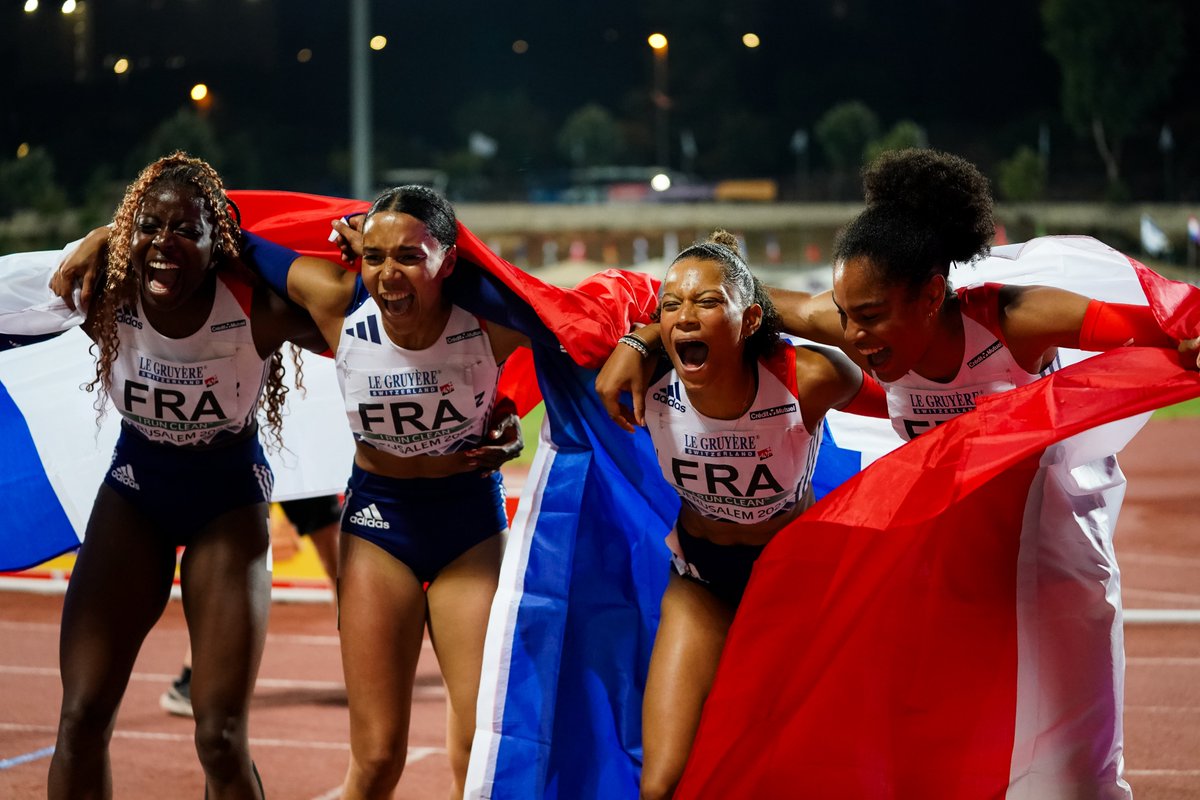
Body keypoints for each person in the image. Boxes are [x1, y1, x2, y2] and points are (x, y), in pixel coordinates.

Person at [597, 148, 1200, 797]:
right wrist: (641, 339)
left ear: (932, 294)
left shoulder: (1014, 322)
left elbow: (1157, 329)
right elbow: (736, 300)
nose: (854, 335)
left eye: (873, 315)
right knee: (926, 742)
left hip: (1047, 544)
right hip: (941, 551)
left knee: (1070, 764)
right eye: (846, 314)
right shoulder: (849, 328)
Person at [42, 151, 326, 799]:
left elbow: (356, 310)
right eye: (148, 227)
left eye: (185, 231)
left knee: (219, 737)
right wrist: (103, 237)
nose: (163, 246)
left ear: (217, 243)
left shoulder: (257, 308)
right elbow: (21, 295)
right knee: (81, 719)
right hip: (136, 492)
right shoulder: (101, 291)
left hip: (227, 499)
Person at [237, 184, 526, 799]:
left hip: (469, 524)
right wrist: (108, 237)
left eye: (409, 258)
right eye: (375, 256)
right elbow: (233, 244)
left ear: (448, 261)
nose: (389, 275)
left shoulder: (491, 322)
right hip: (379, 522)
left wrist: (511, 422)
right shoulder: (338, 303)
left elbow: (571, 337)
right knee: (375, 761)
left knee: (482, 749)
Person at [613, 230, 880, 800]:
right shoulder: (648, 380)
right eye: (671, 307)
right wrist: (637, 341)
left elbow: (896, 371)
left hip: (789, 585)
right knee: (662, 783)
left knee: (791, 772)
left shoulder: (808, 379)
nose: (684, 318)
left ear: (752, 317)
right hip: (700, 580)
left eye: (708, 303)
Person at [160, 493, 344, 718]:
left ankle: (361, 666)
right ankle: (193, 677)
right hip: (251, 465)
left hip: (296, 465)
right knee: (230, 558)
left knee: (336, 553)